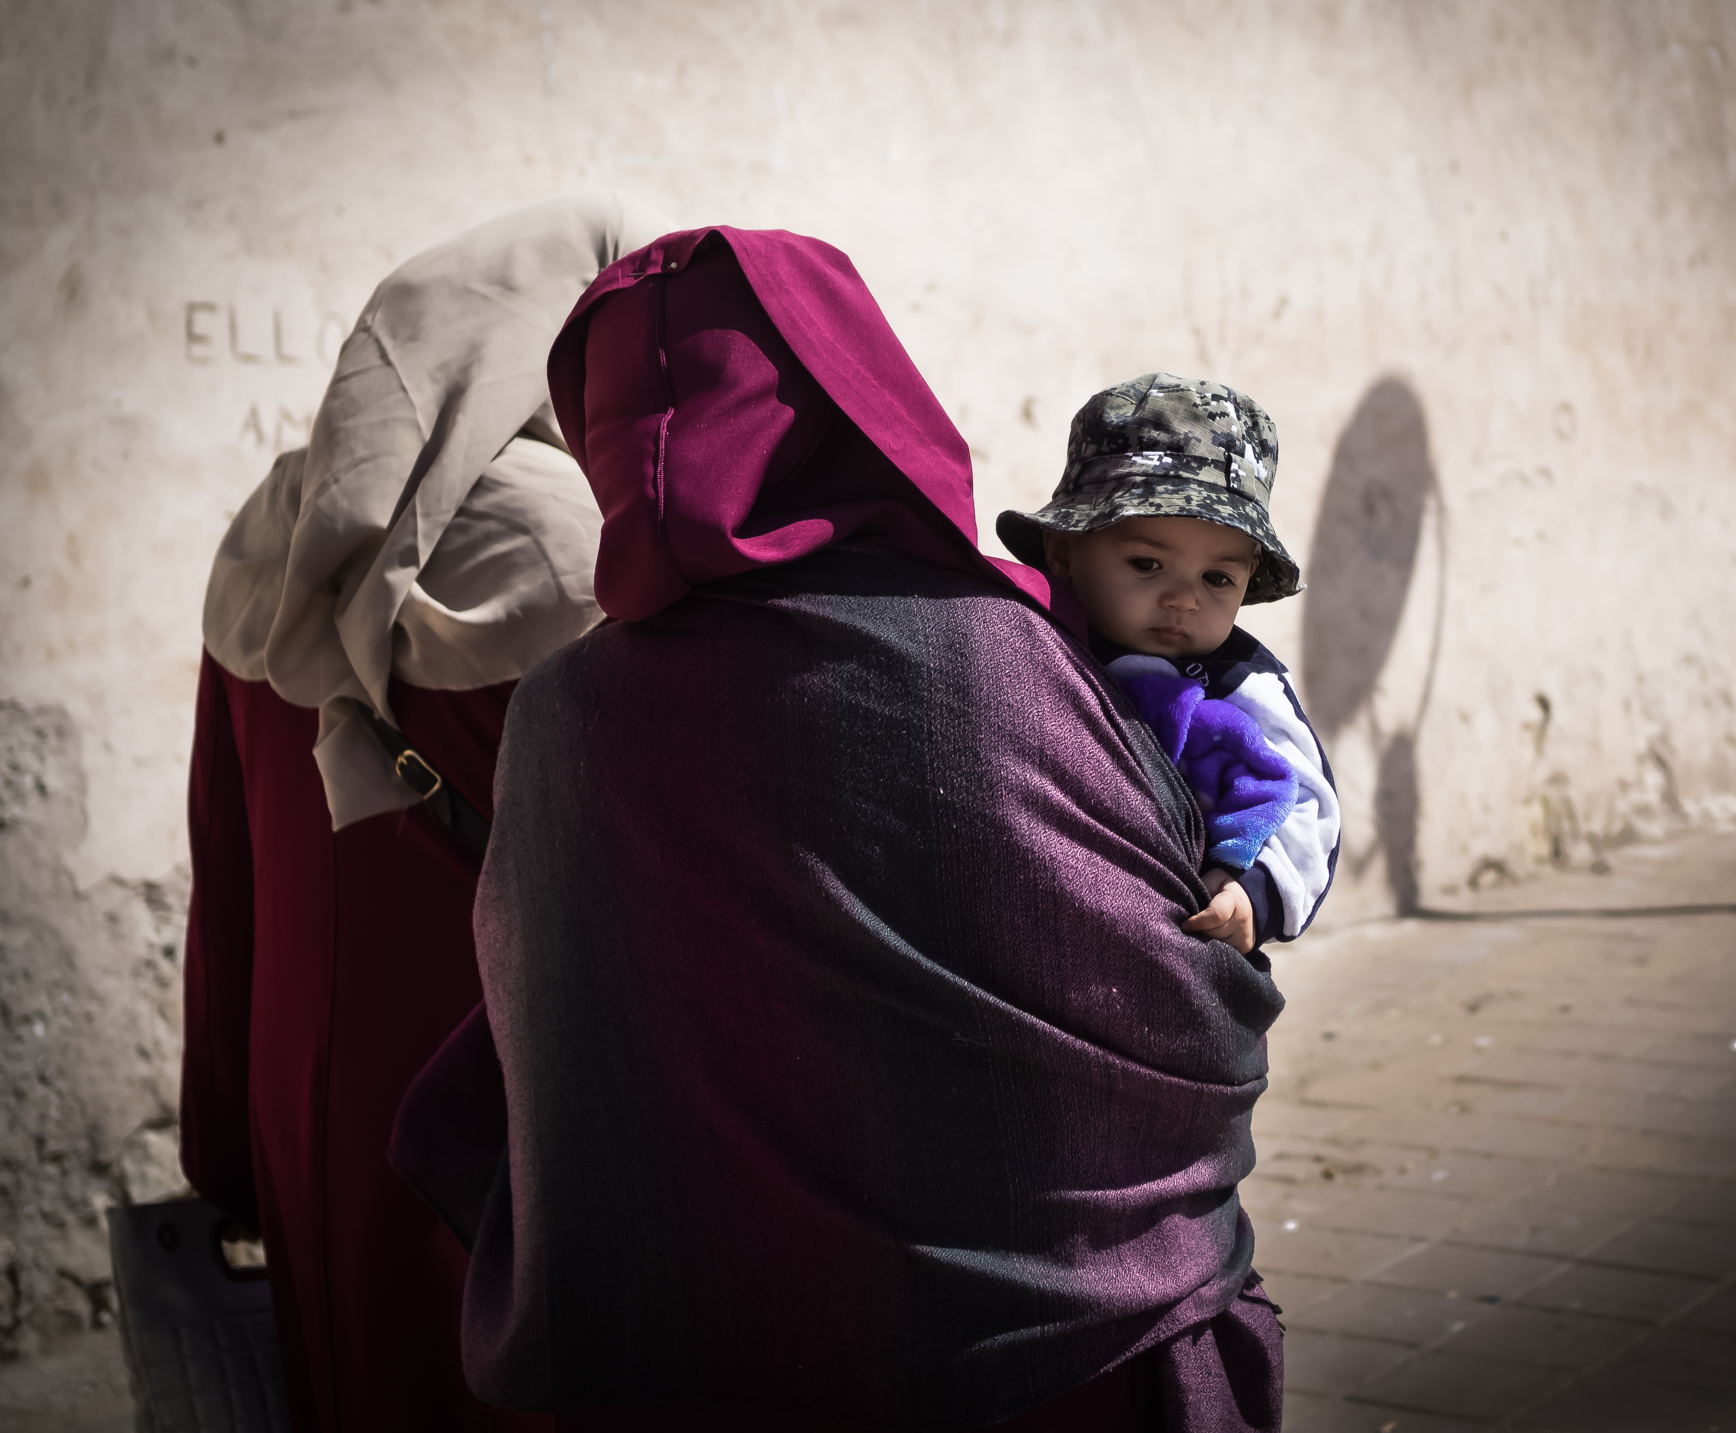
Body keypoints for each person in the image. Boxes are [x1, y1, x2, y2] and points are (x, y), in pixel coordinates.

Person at [392, 227, 1290, 1430]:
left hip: (699, 1333)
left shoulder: (565, 706)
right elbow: (1156, 988)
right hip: (1042, 1351)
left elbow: (549, 1033)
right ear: (854, 390)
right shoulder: (994, 651)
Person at [179, 193, 646, 1431]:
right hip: (486, 1091)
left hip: (301, 1070)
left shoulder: (270, 535)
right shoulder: (578, 547)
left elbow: (226, 875)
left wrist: (223, 1141)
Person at [995, 375, 1341, 957]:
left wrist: (1252, 892)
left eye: (1217, 578)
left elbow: (1306, 800)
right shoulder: (1025, 639)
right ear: (1064, 552)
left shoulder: (1240, 682)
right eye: (1146, 564)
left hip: (1179, 933)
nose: (1184, 599)